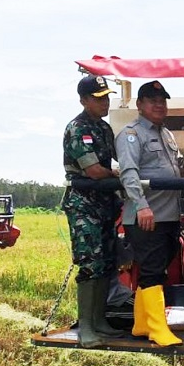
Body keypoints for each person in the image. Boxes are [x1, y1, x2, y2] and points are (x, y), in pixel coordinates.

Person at [114, 80, 184, 347]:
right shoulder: (131, 134)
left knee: (155, 268)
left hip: (168, 214)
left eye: (162, 101)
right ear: (140, 105)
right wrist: (142, 205)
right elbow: (129, 173)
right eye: (153, 101)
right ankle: (158, 329)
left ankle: (141, 324)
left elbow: (177, 166)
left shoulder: (166, 134)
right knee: (153, 270)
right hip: (146, 215)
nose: (159, 105)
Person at [62, 75, 125, 348]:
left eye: (107, 97)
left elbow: (117, 159)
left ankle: (99, 320)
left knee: (106, 262)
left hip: (105, 204)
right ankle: (86, 327)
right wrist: (117, 174)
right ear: (84, 100)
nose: (105, 102)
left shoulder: (104, 128)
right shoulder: (77, 128)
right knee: (90, 264)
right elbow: (95, 171)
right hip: (84, 206)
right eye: (99, 98)